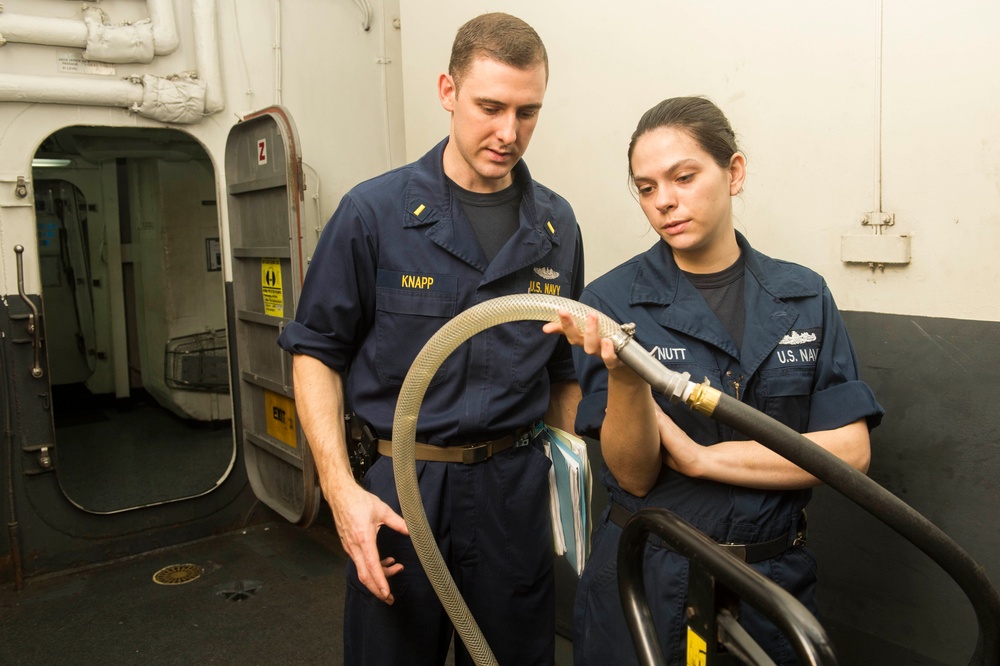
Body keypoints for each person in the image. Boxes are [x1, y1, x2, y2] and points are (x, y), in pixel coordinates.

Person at [277, 12, 584, 666]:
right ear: (448, 91)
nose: (509, 132)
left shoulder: (555, 226)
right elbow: (315, 356)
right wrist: (340, 493)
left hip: (511, 492)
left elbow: (561, 370)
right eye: (490, 106)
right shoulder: (374, 214)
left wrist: (563, 480)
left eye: (528, 112)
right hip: (402, 488)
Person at [544, 96, 884, 665]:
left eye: (683, 176)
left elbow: (849, 453)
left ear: (734, 172)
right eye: (647, 188)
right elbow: (633, 472)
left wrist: (700, 460)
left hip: (770, 578)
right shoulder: (610, 302)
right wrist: (626, 378)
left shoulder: (802, 297)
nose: (665, 202)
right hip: (649, 576)